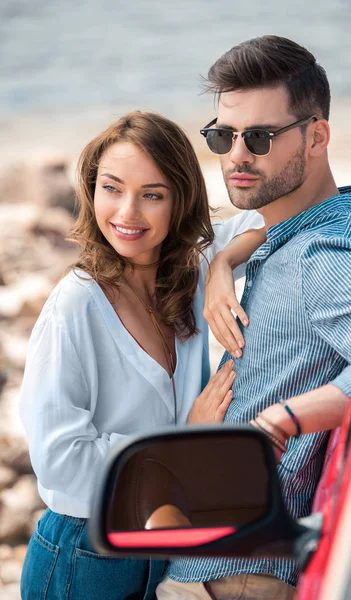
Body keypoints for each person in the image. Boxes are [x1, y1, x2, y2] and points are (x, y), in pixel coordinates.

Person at [157, 35, 351, 600]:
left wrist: (279, 421)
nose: (237, 155)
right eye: (222, 136)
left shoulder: (328, 258)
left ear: (317, 136)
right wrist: (222, 262)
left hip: (238, 577)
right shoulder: (303, 235)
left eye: (260, 137)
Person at [19, 111, 265, 600]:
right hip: (85, 554)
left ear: (179, 201)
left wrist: (222, 266)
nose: (127, 213)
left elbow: (266, 220)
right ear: (91, 191)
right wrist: (182, 446)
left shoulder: (188, 270)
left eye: (152, 194)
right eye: (112, 188)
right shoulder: (76, 305)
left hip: (162, 544)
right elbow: (60, 462)